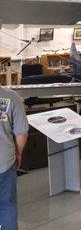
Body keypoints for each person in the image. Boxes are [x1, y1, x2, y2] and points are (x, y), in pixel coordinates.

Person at [0, 88, 28, 230]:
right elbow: (21, 132)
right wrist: (18, 153)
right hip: (5, 162)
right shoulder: (12, 97)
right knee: (7, 207)